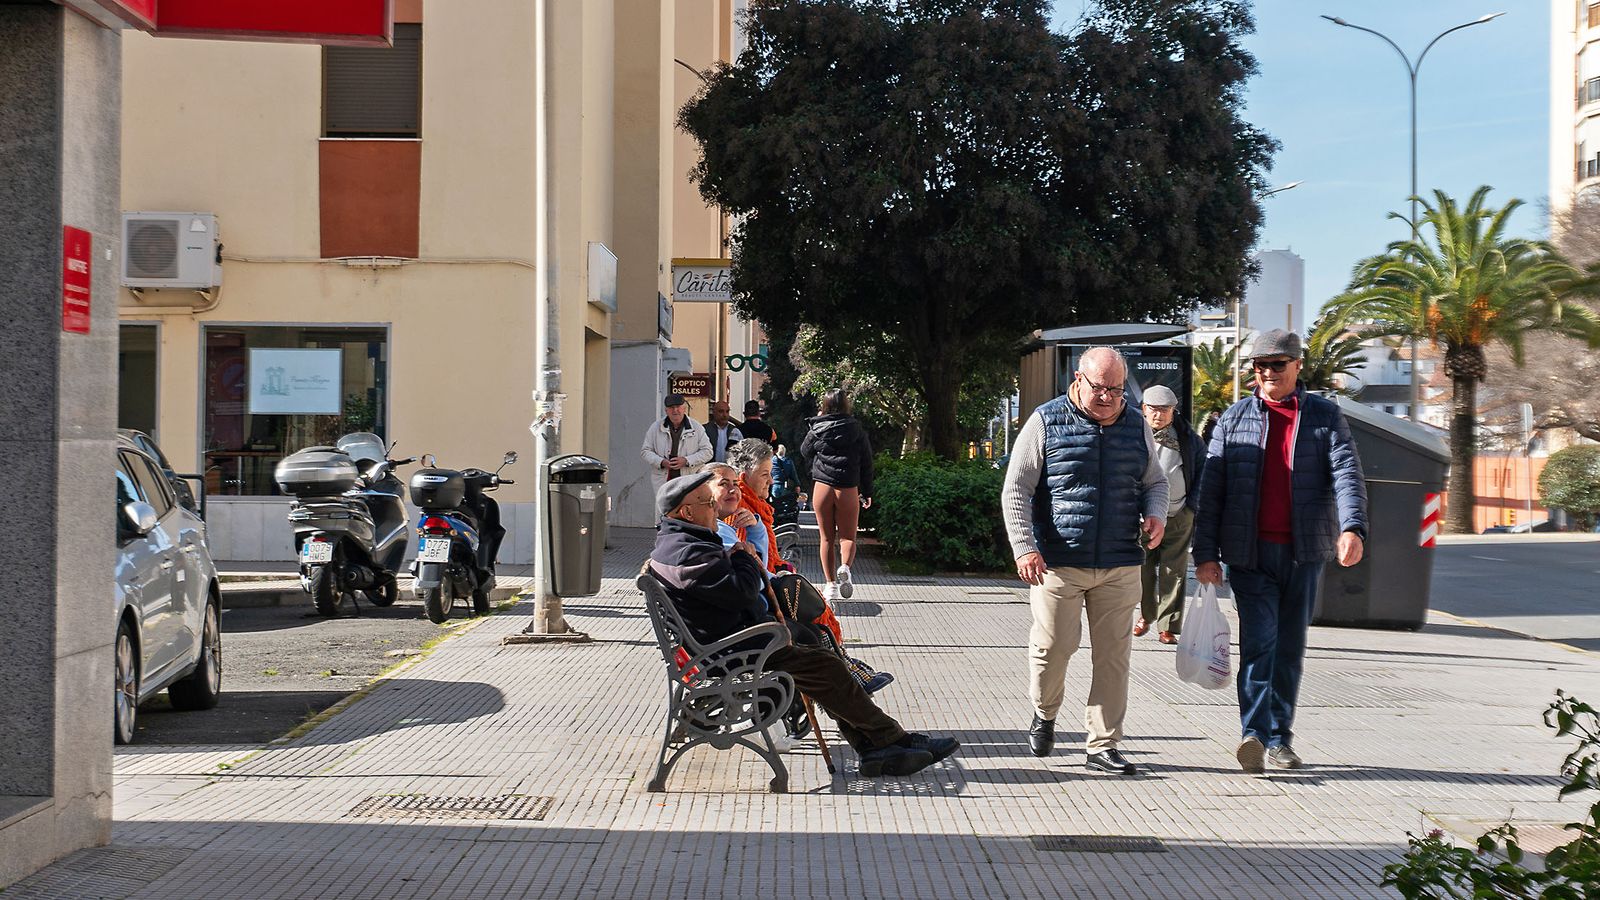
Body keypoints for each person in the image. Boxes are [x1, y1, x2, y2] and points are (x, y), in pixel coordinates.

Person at [647, 471, 957, 777]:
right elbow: (742, 593)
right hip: (728, 652)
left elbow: (737, 594)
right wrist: (743, 556)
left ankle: (879, 745)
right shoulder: (688, 552)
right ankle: (886, 741)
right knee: (824, 665)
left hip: (730, 642)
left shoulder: (683, 541)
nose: (715, 506)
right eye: (707, 502)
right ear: (686, 511)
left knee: (818, 650)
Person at [1192, 328, 1368, 775]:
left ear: (1297, 367)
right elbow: (1210, 492)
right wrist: (1204, 554)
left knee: (1289, 649)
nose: (1269, 372)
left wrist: (1352, 527)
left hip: (1304, 554)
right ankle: (1254, 734)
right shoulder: (1232, 420)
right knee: (1259, 644)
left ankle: (1280, 739)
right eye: (1261, 366)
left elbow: (1347, 474)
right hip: (1250, 555)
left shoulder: (1326, 418)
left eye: (1278, 364)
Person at [1001, 347, 1169, 777]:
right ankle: (1045, 712)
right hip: (1059, 562)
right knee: (1054, 647)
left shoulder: (1136, 425)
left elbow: (1156, 481)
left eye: (1116, 389)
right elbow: (1016, 489)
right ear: (1078, 378)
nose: (1109, 398)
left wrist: (1156, 513)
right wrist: (1024, 546)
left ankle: (1103, 745)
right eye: (1100, 388)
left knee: (1113, 656)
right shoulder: (1045, 420)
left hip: (1120, 560)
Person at [1135, 384, 1205, 645]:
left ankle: (1168, 626)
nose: (1158, 414)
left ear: (1174, 411)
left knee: (1173, 570)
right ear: (1144, 409)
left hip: (1178, 514)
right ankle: (1145, 615)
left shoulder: (1189, 438)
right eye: (1153, 409)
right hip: (1141, 517)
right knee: (1141, 568)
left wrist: (1191, 506)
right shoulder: (1132, 434)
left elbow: (1202, 472)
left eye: (1165, 409)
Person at [800, 389, 873, 601]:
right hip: (848, 487)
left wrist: (815, 425)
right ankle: (845, 569)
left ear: (825, 405)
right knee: (848, 536)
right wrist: (867, 491)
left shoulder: (818, 427)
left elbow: (805, 451)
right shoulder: (856, 428)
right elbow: (867, 462)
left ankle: (830, 585)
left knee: (826, 538)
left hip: (822, 486)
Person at [640, 393, 713, 493]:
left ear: (684, 408)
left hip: (689, 480)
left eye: (678, 407)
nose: (675, 410)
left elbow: (708, 452)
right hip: (663, 481)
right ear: (666, 410)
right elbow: (645, 451)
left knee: (688, 507)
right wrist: (661, 462)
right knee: (665, 508)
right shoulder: (655, 427)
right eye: (671, 407)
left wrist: (686, 460)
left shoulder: (697, 427)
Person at [706, 399, 745, 463]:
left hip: (730, 469)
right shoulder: (705, 430)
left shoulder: (735, 431)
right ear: (714, 412)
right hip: (710, 469)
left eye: (727, 411)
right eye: (721, 411)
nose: (724, 415)